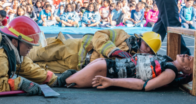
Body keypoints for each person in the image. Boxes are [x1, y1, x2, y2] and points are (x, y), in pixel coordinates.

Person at [28, 29, 162, 74]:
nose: (146, 50)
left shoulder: (136, 63)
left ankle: (15, 66)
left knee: (39, 66)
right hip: (76, 47)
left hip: (77, 66)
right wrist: (113, 51)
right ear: (140, 40)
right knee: (37, 54)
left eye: (150, 50)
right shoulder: (123, 35)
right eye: (146, 45)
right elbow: (99, 35)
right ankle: (14, 54)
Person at [65, 53, 193, 91]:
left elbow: (144, 85)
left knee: (65, 82)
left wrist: (112, 81)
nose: (188, 55)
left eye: (191, 59)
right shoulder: (168, 60)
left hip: (107, 71)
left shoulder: (170, 73)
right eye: (190, 55)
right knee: (67, 80)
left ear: (187, 69)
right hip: (107, 64)